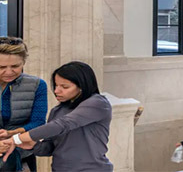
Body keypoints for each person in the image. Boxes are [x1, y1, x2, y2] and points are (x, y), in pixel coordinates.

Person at [0, 62, 112, 171]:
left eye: (64, 86)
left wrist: (16, 139)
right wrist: (34, 145)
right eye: (56, 85)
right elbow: (50, 147)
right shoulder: (57, 111)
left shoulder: (97, 103)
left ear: (82, 86)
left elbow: (63, 124)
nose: (56, 91)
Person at [0, 38, 48, 172]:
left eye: (15, 66)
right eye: (2, 67)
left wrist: (12, 134)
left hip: (22, 154)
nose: (9, 72)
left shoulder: (37, 85)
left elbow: (38, 122)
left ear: (23, 63)